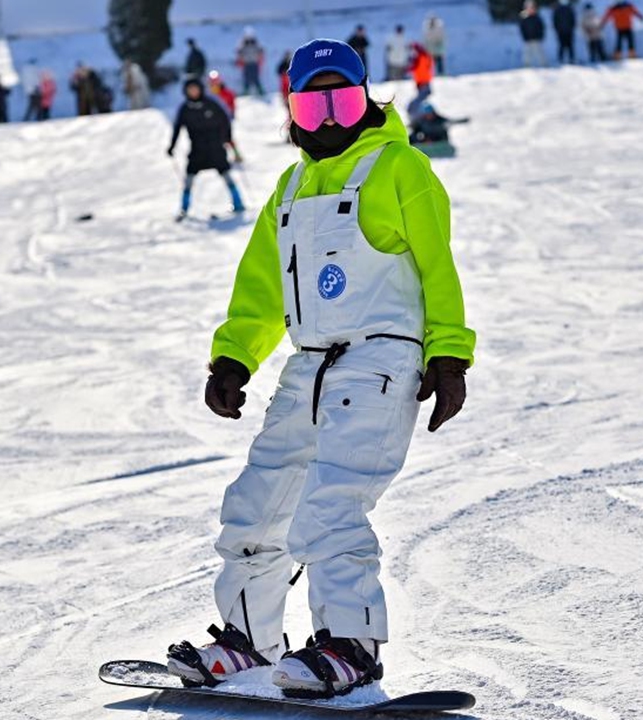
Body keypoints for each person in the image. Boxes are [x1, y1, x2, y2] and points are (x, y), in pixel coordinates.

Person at [163, 37, 475, 698]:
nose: (329, 117)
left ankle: (351, 646)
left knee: (332, 502)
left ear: (366, 98)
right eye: (312, 104)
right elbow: (263, 285)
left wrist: (449, 355)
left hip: (382, 359)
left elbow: (437, 268)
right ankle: (248, 642)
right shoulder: (293, 183)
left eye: (342, 98)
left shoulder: (401, 167)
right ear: (291, 110)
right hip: (309, 366)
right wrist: (234, 357)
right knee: (257, 501)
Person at [167, 78, 244, 220]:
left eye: (195, 88)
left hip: (215, 148)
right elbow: (177, 128)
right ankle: (184, 208)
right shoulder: (185, 109)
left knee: (226, 174)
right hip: (197, 151)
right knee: (189, 178)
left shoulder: (212, 104)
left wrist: (227, 138)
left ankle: (238, 203)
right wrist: (172, 146)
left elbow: (225, 120)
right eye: (190, 89)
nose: (193, 91)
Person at [407, 42, 434, 119]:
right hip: (425, 81)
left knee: (420, 101)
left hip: (422, 82)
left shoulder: (419, 58)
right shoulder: (426, 56)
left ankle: (420, 117)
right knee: (422, 100)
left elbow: (411, 68)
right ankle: (424, 116)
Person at [237, 28, 266, 96]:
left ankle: (260, 90)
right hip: (246, 63)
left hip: (254, 63)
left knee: (255, 77)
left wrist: (260, 58)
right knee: (246, 78)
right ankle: (246, 91)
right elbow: (240, 53)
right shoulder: (243, 44)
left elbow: (260, 52)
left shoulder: (256, 43)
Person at [520, 1, 548, 67]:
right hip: (528, 39)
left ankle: (544, 64)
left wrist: (540, 36)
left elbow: (542, 27)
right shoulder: (524, 18)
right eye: (528, 7)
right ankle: (526, 65)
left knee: (540, 52)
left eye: (531, 7)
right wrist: (525, 36)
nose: (530, 9)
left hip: (537, 38)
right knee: (527, 53)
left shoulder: (537, 17)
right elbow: (522, 28)